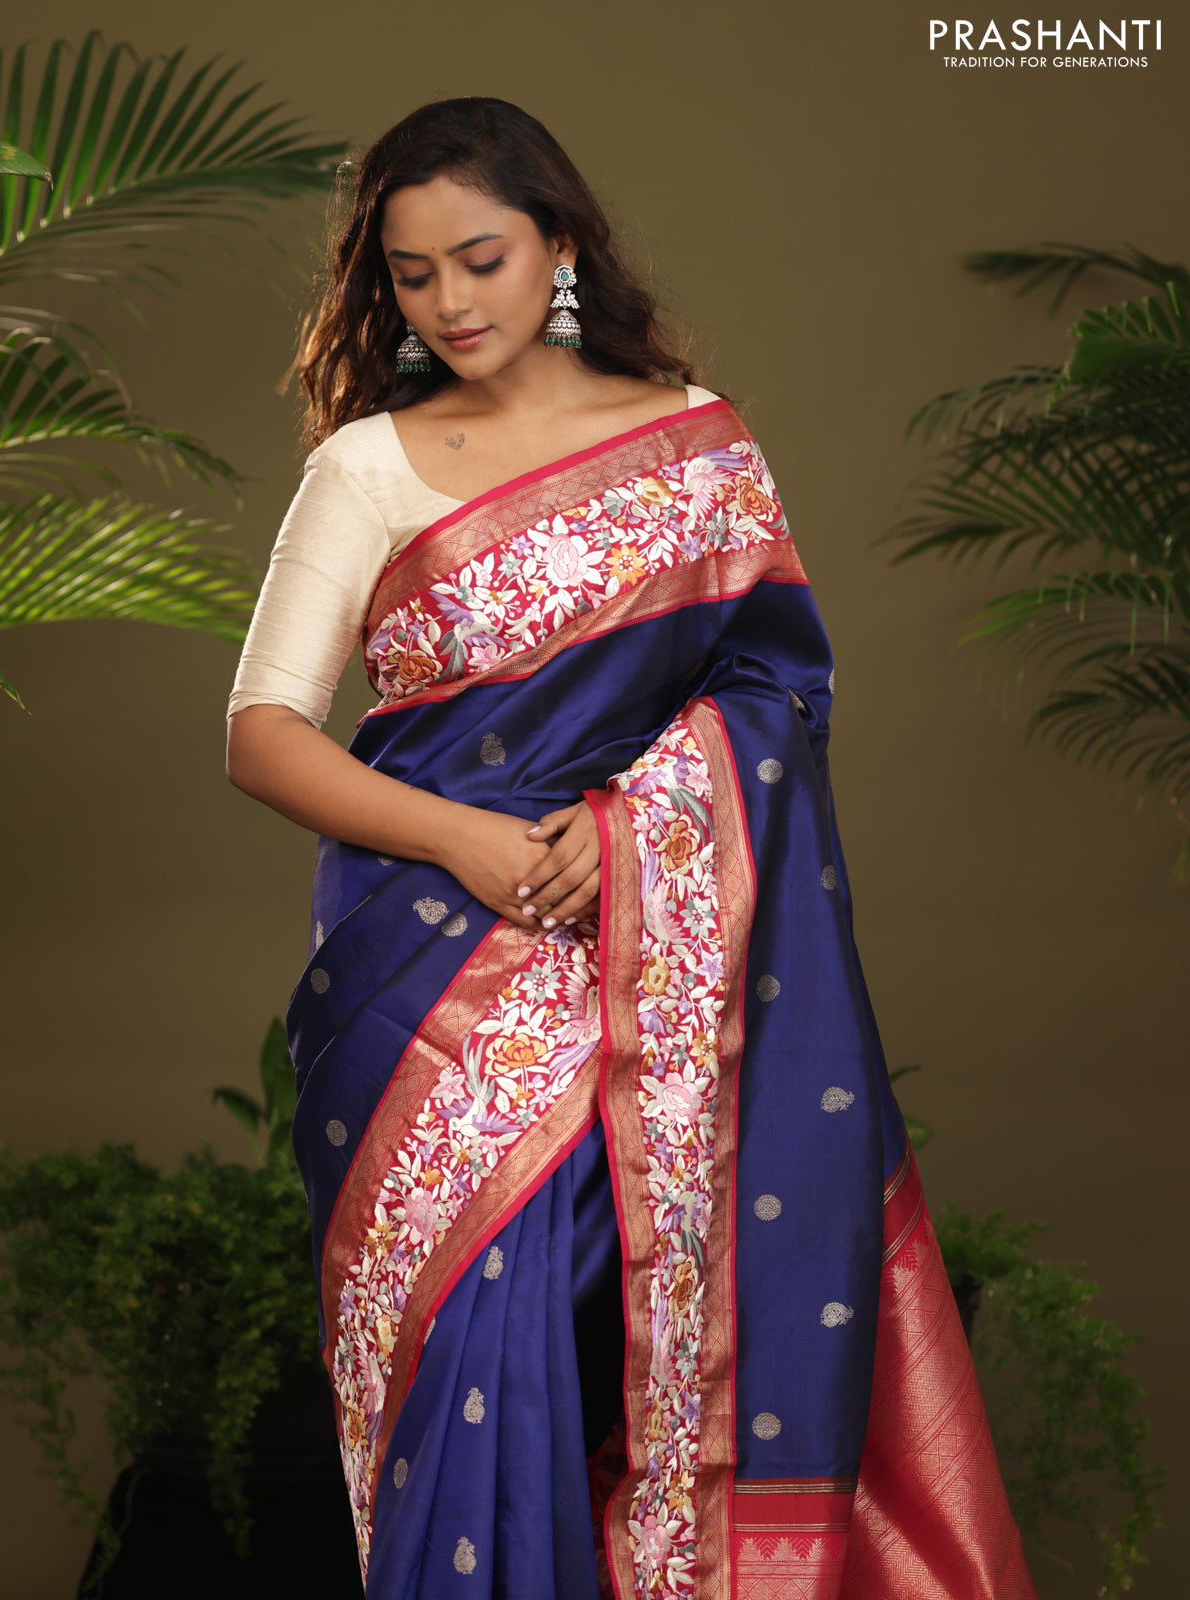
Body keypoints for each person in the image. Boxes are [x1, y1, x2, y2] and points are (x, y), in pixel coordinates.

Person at [225, 96, 1035, 1600]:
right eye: (411, 274)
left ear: (561, 248)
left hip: (658, 975)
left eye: (480, 259)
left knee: (634, 1367)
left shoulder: (694, 446)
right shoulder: (365, 469)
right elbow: (263, 730)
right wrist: (468, 842)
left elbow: (776, 695)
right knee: (460, 1366)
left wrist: (627, 838)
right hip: (431, 989)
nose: (450, 302)